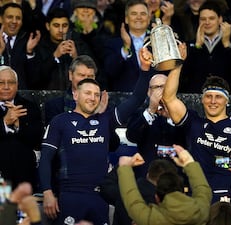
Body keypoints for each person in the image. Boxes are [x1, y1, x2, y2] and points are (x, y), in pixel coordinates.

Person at [38, 48, 153, 225]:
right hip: (70, 197)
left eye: (96, 95)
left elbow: (136, 98)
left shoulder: (105, 120)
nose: (92, 98)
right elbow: (45, 159)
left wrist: (145, 70)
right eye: (87, 93)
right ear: (75, 94)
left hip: (100, 197)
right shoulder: (59, 121)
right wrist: (47, 192)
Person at [162, 43, 231, 204]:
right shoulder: (193, 122)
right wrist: (178, 64)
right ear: (201, 99)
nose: (213, 101)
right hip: (197, 197)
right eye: (208, 96)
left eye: (218, 97)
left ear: (227, 101)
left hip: (228, 200)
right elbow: (168, 98)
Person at [117, 144, 212, 225]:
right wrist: (189, 162)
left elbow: (132, 201)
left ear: (157, 198)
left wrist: (125, 167)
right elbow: (203, 190)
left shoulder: (152, 219)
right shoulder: (200, 212)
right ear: (183, 192)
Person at [179, 0, 231, 93]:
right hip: (196, 99)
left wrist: (227, 45)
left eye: (211, 18)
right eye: (203, 19)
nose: (207, 22)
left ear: (220, 19)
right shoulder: (190, 45)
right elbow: (183, 74)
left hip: (224, 98)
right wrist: (197, 47)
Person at [126, 73, 186, 178]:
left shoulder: (184, 113)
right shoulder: (140, 114)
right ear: (149, 92)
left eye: (165, 86)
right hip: (147, 176)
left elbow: (189, 139)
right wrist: (151, 111)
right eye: (157, 87)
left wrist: (172, 117)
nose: (162, 91)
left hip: (175, 177)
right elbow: (131, 136)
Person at [0, 66, 43, 191]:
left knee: (23, 211)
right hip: (1, 180)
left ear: (17, 85)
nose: (6, 86)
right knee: (5, 211)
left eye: (11, 82)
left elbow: (37, 139)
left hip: (24, 180)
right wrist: (5, 122)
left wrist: (19, 125)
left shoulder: (30, 107)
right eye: (1, 82)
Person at [100, 159, 178, 225]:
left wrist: (123, 165)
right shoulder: (171, 208)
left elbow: (106, 186)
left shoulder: (123, 193)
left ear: (148, 175)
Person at [34, 7, 93, 90]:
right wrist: (54, 56)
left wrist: (76, 58)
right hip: (48, 98)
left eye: (64, 25)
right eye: (56, 25)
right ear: (48, 26)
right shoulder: (39, 47)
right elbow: (35, 78)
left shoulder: (80, 45)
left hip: (76, 96)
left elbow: (93, 74)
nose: (61, 30)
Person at [103, 0, 153, 92]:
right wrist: (126, 48)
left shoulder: (157, 43)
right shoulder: (114, 43)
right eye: (134, 13)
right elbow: (110, 71)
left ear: (149, 18)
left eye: (143, 14)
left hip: (154, 100)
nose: (139, 17)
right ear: (126, 19)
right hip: (124, 101)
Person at [0, 2, 41, 90]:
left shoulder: (29, 40)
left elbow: (36, 80)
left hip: (21, 97)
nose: (14, 21)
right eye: (10, 17)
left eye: (18, 18)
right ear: (1, 19)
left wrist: (29, 53)